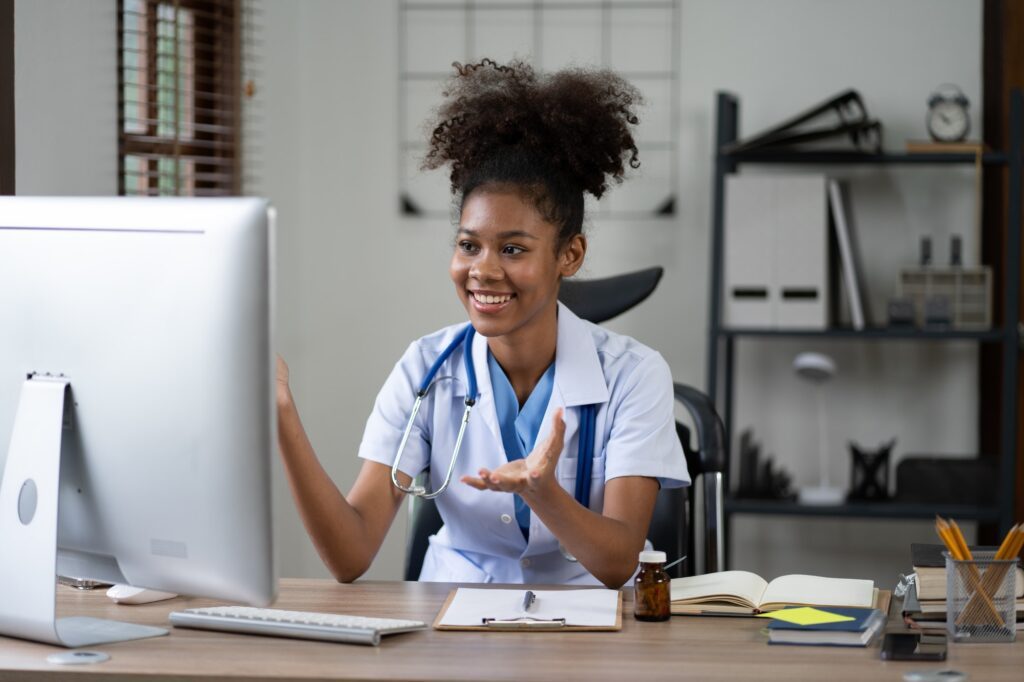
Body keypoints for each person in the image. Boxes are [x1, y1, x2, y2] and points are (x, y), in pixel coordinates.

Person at [276, 59, 689, 589]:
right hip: (451, 620)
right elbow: (351, 553)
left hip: (591, 626)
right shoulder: (426, 368)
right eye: (469, 245)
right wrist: (282, 414)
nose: (483, 270)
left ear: (571, 255)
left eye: (513, 248)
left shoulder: (636, 374)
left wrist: (544, 493)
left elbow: (618, 561)